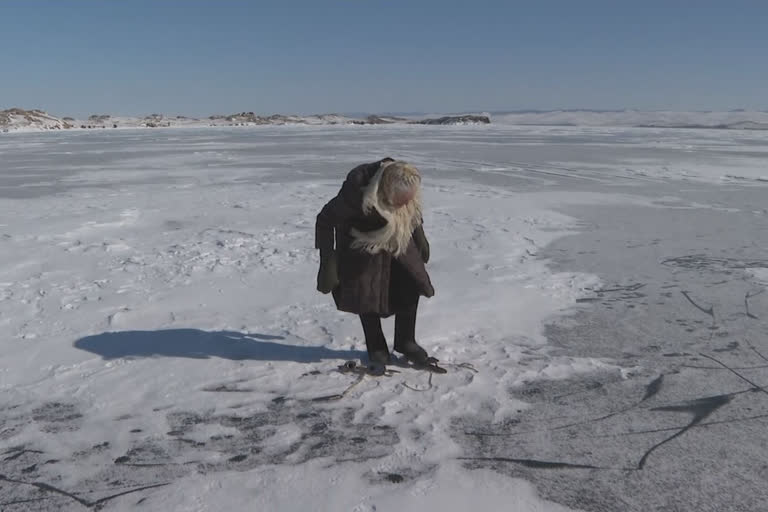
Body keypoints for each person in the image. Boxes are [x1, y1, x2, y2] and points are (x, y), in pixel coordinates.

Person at [315, 158, 435, 369]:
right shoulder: (355, 194)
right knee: (366, 294)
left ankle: (406, 342)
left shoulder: (404, 182)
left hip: (398, 241)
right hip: (362, 247)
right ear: (385, 192)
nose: (404, 205)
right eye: (399, 201)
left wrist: (420, 236)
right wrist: (327, 260)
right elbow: (325, 220)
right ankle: (376, 347)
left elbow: (413, 210)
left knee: (410, 285)